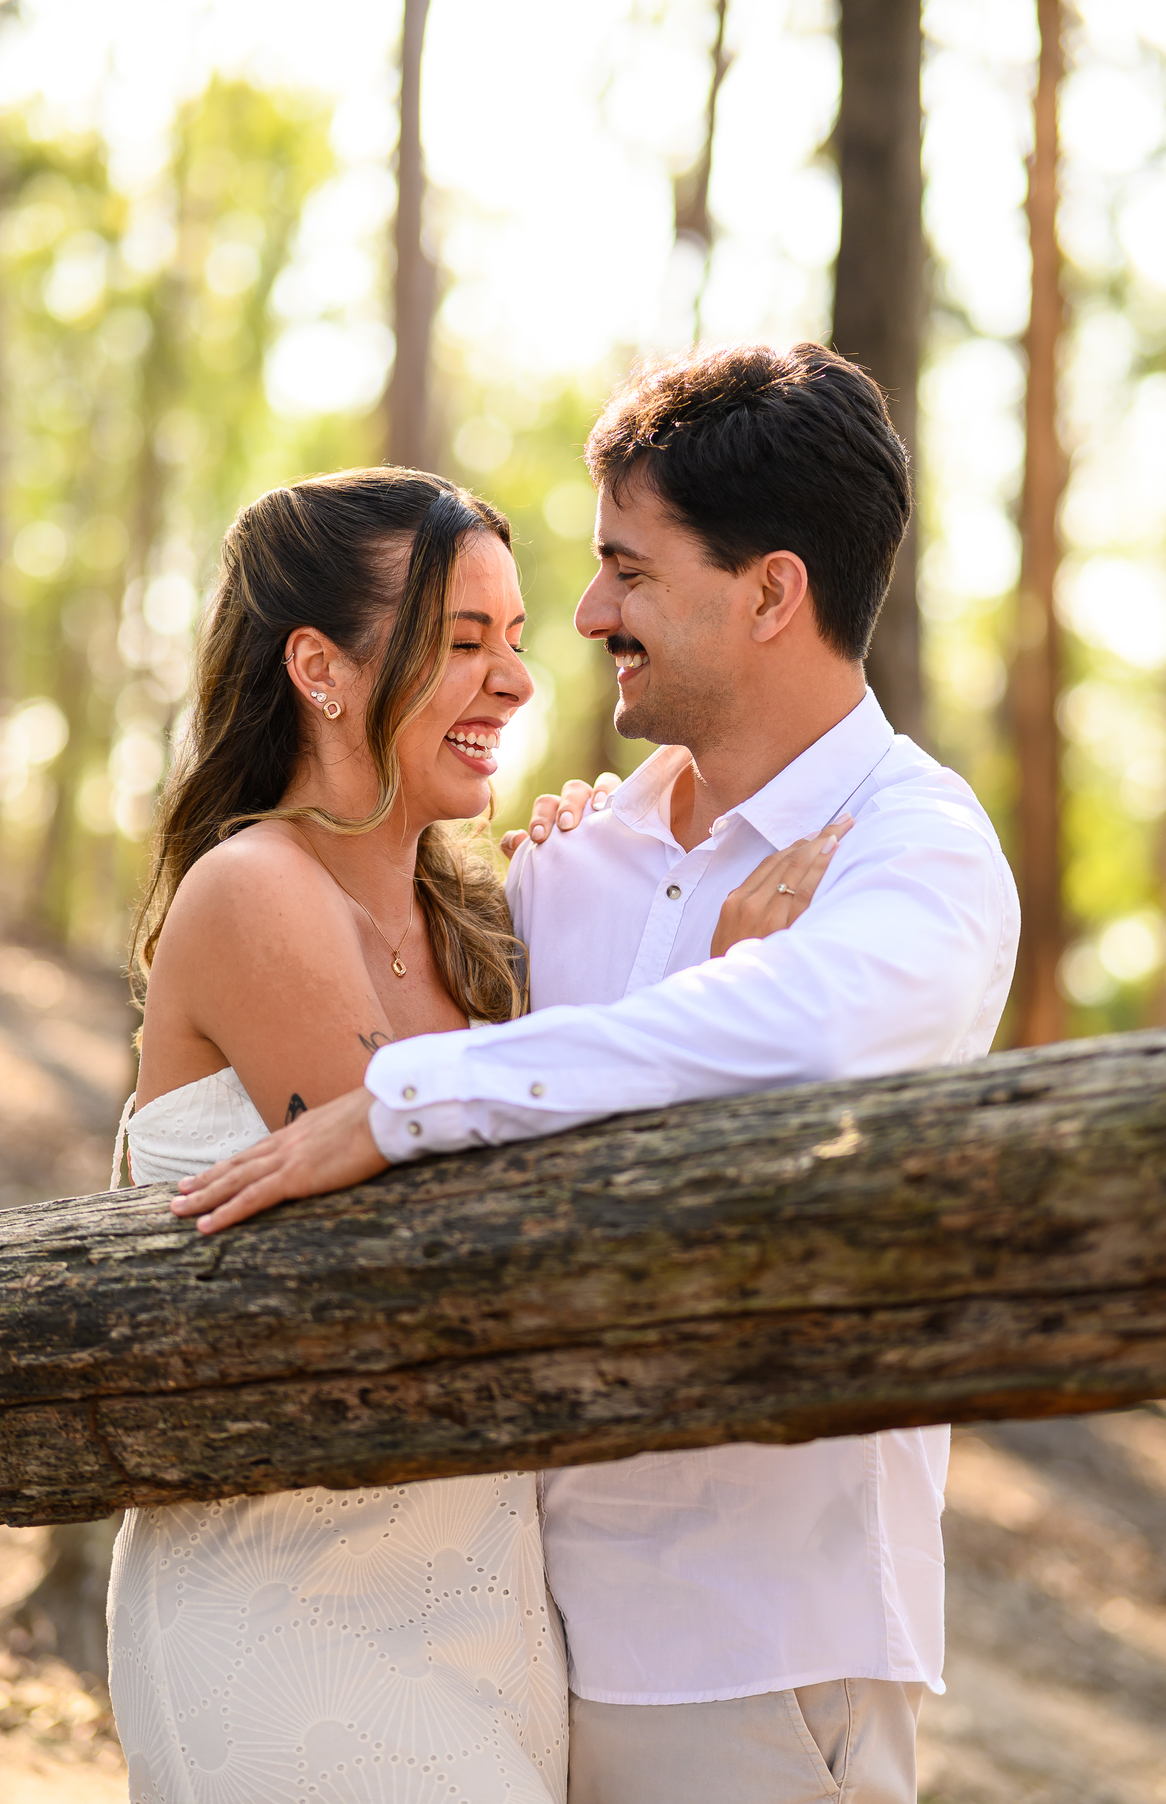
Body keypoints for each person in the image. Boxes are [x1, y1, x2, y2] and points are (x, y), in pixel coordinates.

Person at [175, 342, 1020, 1804]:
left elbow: (801, 1034)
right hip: (504, 1636)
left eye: (627, 570)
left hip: (748, 1644)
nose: (586, 616)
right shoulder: (568, 865)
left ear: (771, 591)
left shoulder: (913, 851)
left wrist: (409, 1103)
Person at [108, 461, 831, 1804]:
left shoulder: (481, 915)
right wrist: (715, 996)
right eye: (461, 642)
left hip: (487, 1609)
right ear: (319, 669)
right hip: (290, 1607)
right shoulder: (253, 891)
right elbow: (463, 1234)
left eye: (512, 640)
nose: (513, 679)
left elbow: (558, 1093)